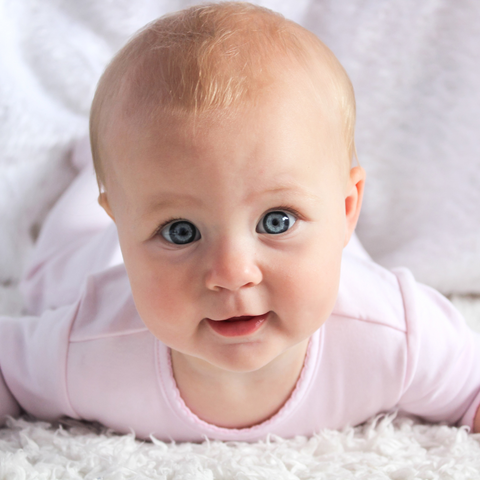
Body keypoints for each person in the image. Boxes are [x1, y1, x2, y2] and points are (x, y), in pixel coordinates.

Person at [1, 2, 480, 443]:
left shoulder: (397, 336)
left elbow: (470, 386)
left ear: (350, 207)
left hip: (336, 257)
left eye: (276, 221)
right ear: (123, 232)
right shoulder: (85, 349)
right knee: (51, 277)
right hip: (92, 257)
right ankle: (94, 167)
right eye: (179, 231)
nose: (232, 272)